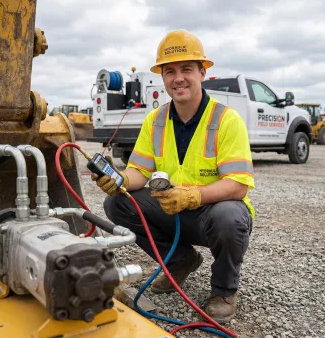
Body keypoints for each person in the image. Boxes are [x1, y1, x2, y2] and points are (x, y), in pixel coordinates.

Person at [91, 29, 255, 323]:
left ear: (202, 73)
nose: (178, 78)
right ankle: (179, 261)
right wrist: (120, 181)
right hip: (172, 210)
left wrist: (194, 195)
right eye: (170, 72)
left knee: (230, 216)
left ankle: (223, 291)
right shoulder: (155, 120)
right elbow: (139, 171)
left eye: (186, 70)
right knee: (117, 204)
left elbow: (237, 186)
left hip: (212, 215)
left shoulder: (226, 120)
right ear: (163, 78)